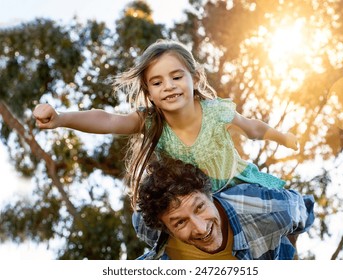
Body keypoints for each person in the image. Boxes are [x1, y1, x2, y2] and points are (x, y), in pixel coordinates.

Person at [33, 39, 298, 207]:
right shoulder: (149, 122)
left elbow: (254, 128)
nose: (168, 87)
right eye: (157, 82)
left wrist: (282, 137)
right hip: (190, 201)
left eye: (176, 77)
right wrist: (61, 119)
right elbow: (108, 119)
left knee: (280, 208)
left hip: (235, 186)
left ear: (194, 77)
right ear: (149, 92)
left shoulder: (216, 112)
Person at [134, 158, 315, 260]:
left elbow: (304, 210)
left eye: (199, 207)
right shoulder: (146, 226)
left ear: (210, 194)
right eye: (180, 222)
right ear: (165, 229)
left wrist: (285, 239)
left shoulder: (265, 207)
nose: (201, 228)